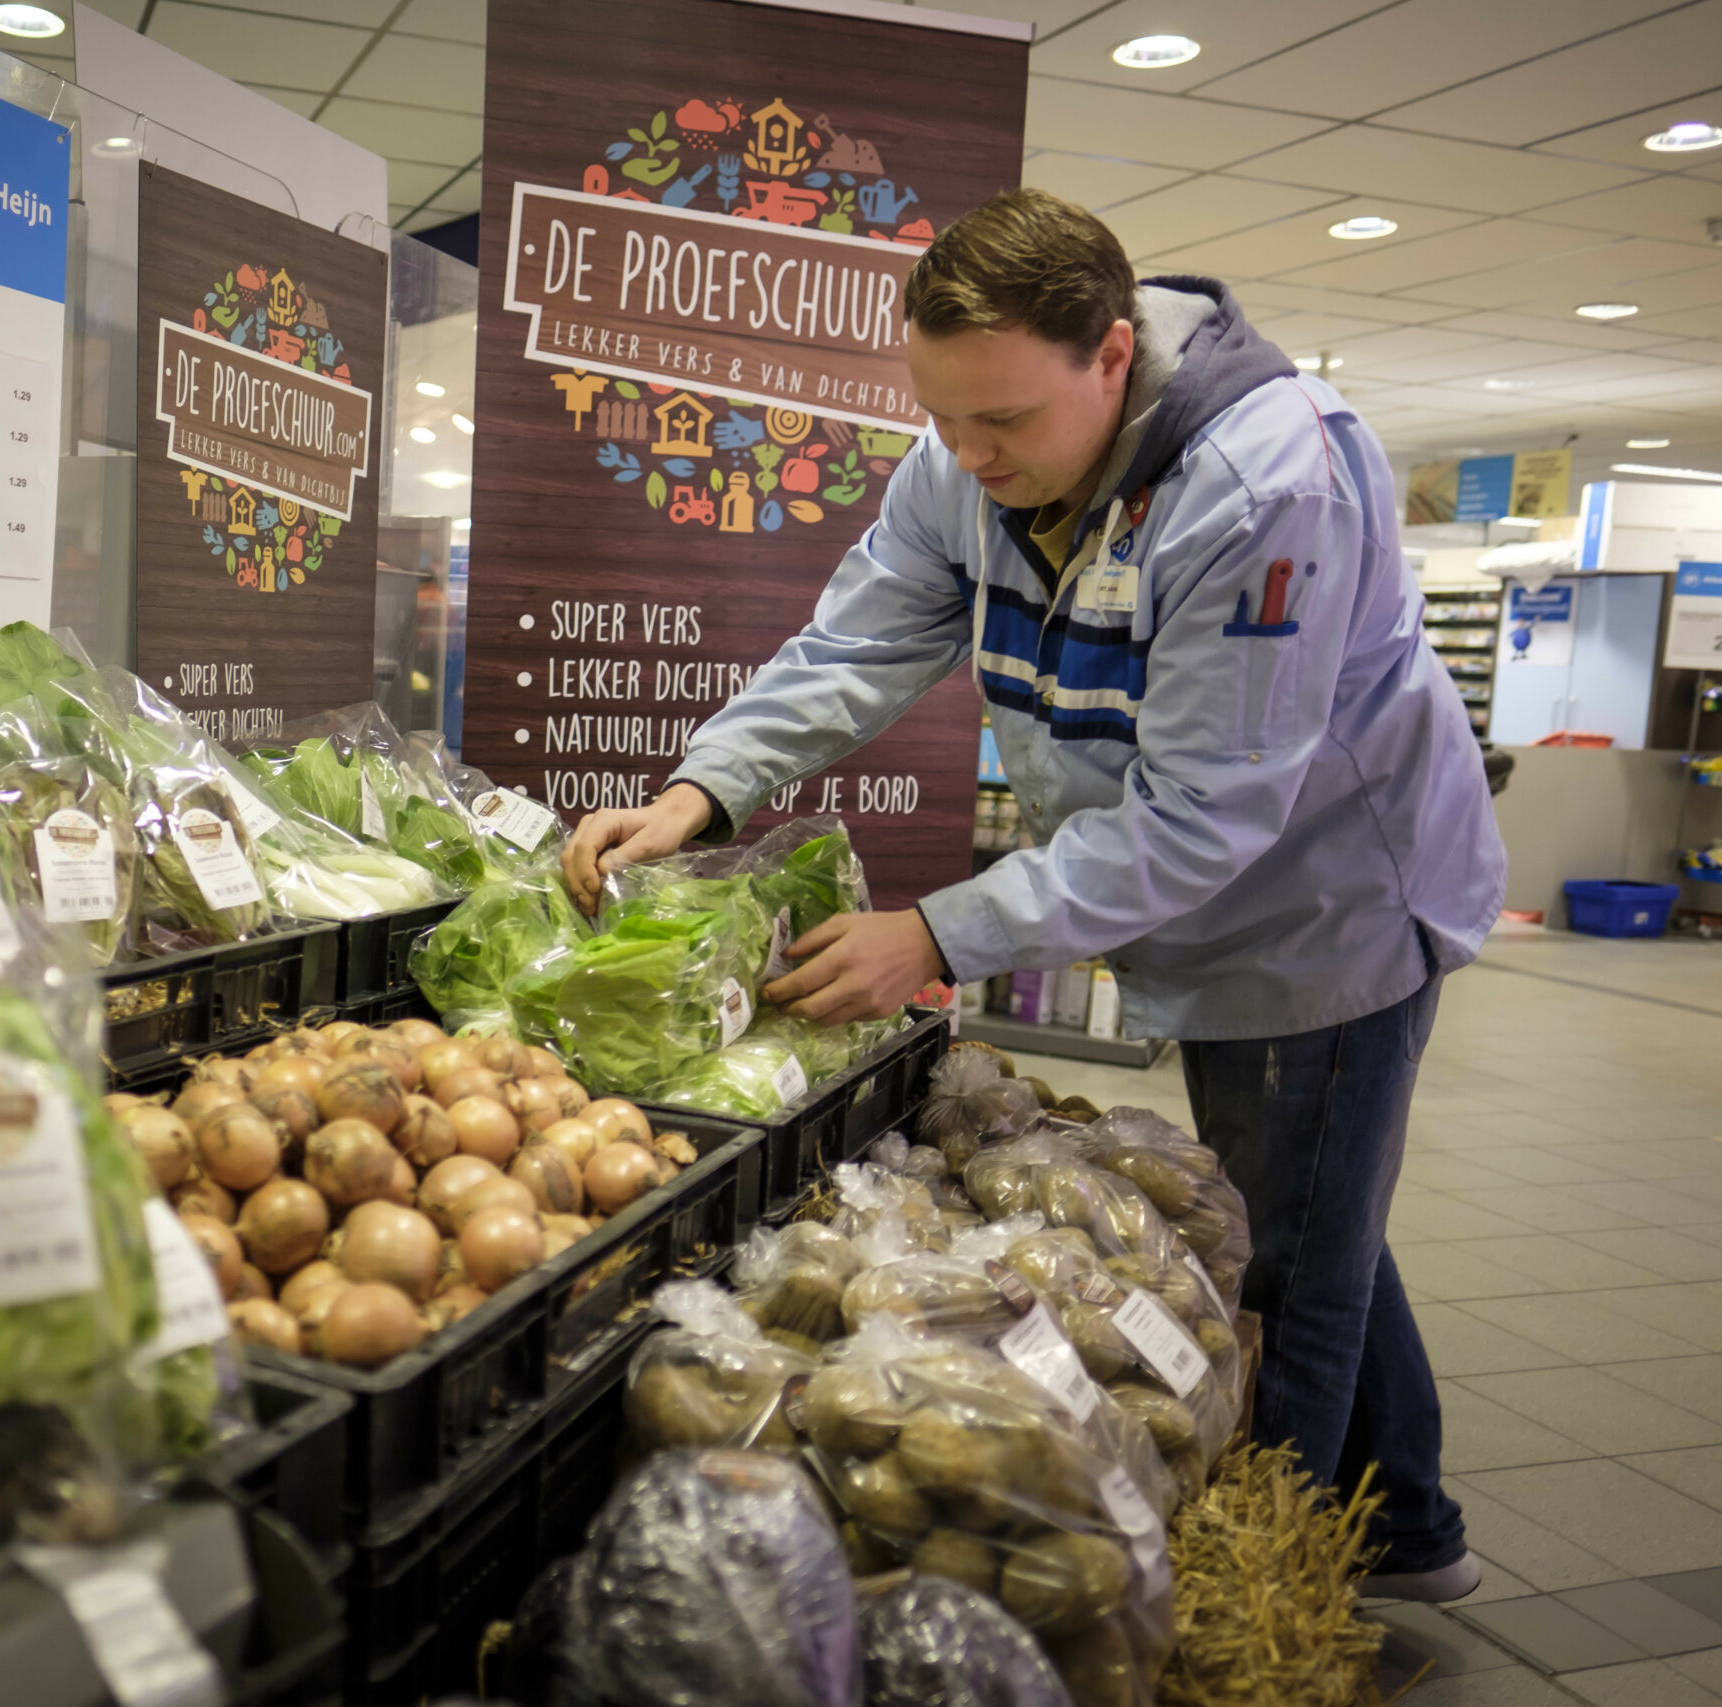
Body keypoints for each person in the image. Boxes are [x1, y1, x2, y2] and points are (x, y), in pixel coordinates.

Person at [559, 188, 1505, 1601]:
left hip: (1332, 902)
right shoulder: (969, 459)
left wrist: (938, 935)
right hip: (1202, 881)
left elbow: (1207, 814)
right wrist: (705, 790)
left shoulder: (1266, 492)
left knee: (1297, 1264)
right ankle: (1414, 1526)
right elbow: (856, 646)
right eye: (941, 416)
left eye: (1001, 422)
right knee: (1312, 1208)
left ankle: (1283, 1597)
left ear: (1112, 357)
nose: (966, 455)